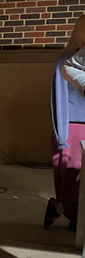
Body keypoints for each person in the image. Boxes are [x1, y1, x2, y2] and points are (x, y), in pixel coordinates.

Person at [47, 16, 85, 230]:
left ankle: (66, 210)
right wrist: (61, 135)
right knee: (71, 173)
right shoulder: (67, 60)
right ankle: (70, 212)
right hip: (72, 126)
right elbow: (58, 100)